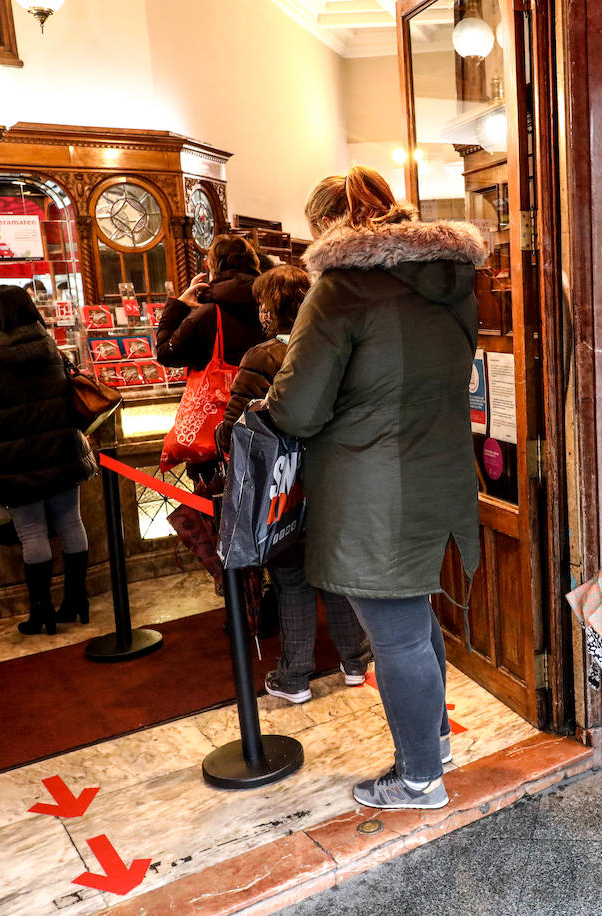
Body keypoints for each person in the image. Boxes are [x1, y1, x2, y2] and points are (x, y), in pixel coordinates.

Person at [264, 166, 485, 810]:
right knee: (413, 620)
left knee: (396, 634)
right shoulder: (452, 282)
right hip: (437, 474)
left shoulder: (341, 290)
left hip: (370, 487)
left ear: (325, 227)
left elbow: (299, 410)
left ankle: (418, 778)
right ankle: (434, 741)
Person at [216, 264, 373, 702]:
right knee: (334, 573)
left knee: (292, 580)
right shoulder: (335, 346)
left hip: (283, 491)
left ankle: (296, 674)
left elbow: (234, 431)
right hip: (334, 481)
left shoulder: (261, 356)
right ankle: (356, 660)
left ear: (270, 308)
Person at [0, 286, 97, 635]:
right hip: (63, 451)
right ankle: (77, 600)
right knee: (71, 523)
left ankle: (42, 610)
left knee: (32, 531)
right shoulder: (50, 347)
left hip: (16, 460)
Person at [156, 234, 266, 489]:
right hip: (265, 427)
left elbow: (166, 353)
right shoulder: (269, 305)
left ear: (213, 266)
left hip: (215, 437)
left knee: (214, 504)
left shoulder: (207, 314)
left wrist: (179, 306)